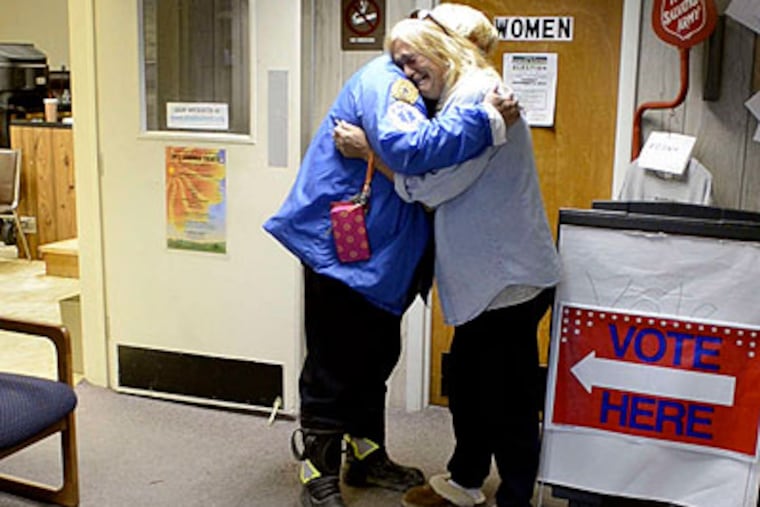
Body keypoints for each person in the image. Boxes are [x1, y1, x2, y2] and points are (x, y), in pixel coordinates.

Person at [263, 18, 520, 507]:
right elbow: (410, 149)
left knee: (374, 358)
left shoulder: (433, 91)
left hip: (384, 255)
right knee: (333, 361)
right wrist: (486, 121)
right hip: (347, 250)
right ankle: (316, 470)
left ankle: (365, 455)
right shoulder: (391, 81)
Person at [333, 7, 561, 507]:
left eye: (414, 61)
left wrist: (371, 153)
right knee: (473, 382)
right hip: (493, 276)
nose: (408, 75)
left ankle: (517, 496)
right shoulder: (465, 95)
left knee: (506, 396)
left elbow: (434, 187)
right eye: (401, 65)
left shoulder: (480, 96)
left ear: (445, 48)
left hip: (508, 277)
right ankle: (465, 481)